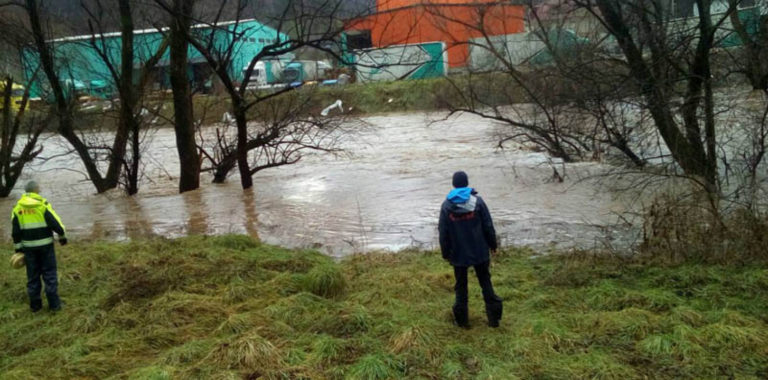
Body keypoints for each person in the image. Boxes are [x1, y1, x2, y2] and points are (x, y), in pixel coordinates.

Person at [439, 171, 503, 328]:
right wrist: (493, 245)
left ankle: (462, 323)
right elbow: (488, 226)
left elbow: (443, 232)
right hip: (480, 250)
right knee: (485, 282)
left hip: (458, 253)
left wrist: (445, 253)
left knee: (461, 287)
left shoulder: (446, 206)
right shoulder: (478, 202)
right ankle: (493, 320)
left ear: (453, 184)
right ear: (467, 183)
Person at [11, 181, 68, 312]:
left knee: (32, 276)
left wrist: (18, 249)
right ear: (36, 190)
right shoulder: (42, 205)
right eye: (39, 188)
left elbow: (15, 232)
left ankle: (35, 306)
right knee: (49, 274)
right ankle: (54, 305)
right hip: (46, 246)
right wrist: (62, 236)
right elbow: (56, 223)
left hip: (28, 249)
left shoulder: (17, 208)